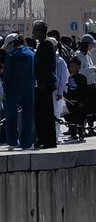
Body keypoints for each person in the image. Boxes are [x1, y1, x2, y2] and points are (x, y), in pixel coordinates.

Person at [2, 33, 35, 150]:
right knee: (28, 116)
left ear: (12, 43)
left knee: (11, 115)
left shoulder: (12, 55)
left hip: (14, 88)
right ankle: (26, 142)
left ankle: (12, 141)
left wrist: (5, 90)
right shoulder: (31, 53)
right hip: (30, 87)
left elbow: (7, 74)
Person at [31, 20, 58, 149]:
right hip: (41, 84)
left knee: (45, 114)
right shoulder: (41, 44)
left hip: (44, 85)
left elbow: (48, 66)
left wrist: (43, 82)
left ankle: (48, 140)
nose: (33, 33)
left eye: (35, 30)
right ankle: (42, 138)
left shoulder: (46, 45)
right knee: (40, 114)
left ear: (42, 31)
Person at [63, 56, 96, 142]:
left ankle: (81, 135)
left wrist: (82, 101)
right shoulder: (68, 77)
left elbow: (83, 91)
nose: (71, 68)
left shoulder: (82, 78)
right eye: (70, 66)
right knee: (71, 119)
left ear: (79, 67)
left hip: (79, 103)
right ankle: (73, 135)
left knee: (80, 120)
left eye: (74, 66)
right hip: (70, 102)